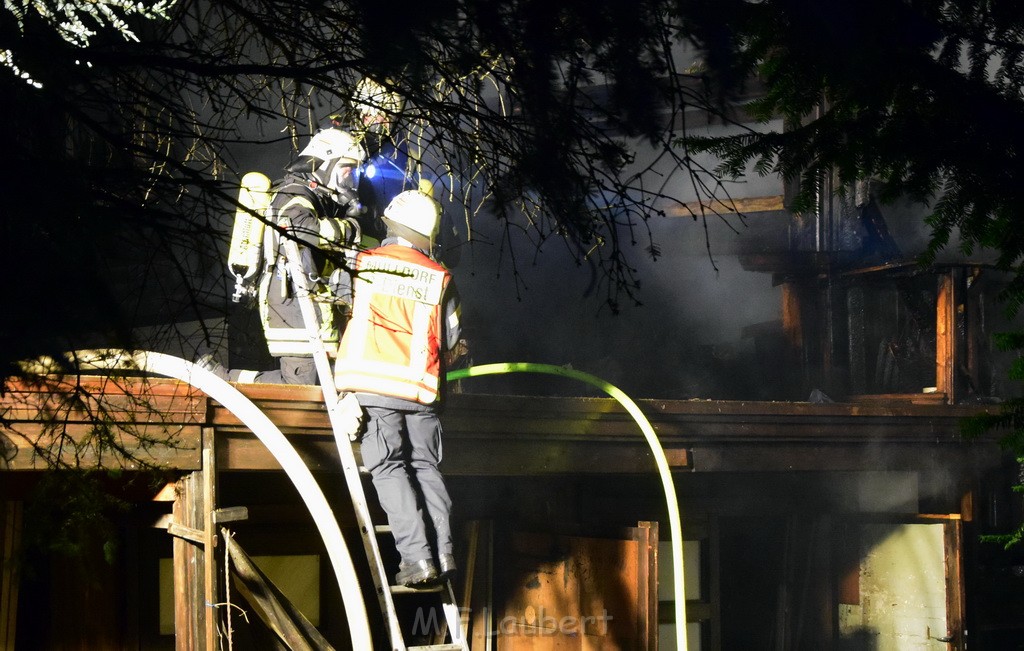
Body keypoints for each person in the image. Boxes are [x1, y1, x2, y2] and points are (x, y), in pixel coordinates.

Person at [333, 189, 462, 587]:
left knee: (388, 468)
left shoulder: (362, 263)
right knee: (426, 468)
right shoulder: (441, 277)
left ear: (389, 225)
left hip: (371, 387)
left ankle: (417, 561)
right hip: (422, 391)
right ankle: (443, 553)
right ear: (428, 235)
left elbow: (335, 309)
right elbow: (454, 340)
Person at [241, 127, 367, 384]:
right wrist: (348, 229)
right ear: (325, 164)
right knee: (300, 386)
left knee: (316, 386)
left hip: (305, 306)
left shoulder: (314, 198)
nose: (350, 178)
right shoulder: (294, 192)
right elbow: (300, 228)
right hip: (291, 307)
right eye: (346, 169)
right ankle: (222, 379)